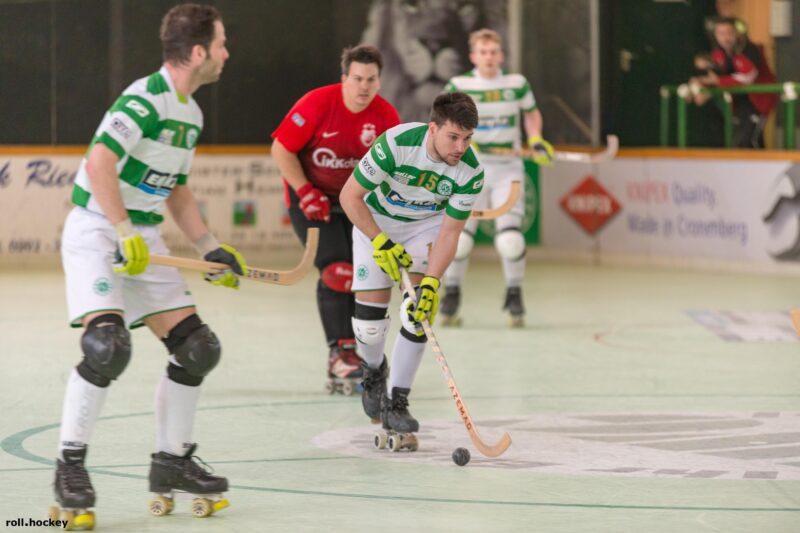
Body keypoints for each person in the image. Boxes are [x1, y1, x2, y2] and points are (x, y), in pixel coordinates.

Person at [52, 4, 242, 523]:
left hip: (142, 237)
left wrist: (209, 247)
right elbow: (100, 161)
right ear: (198, 52)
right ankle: (69, 466)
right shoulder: (144, 99)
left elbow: (176, 188)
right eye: (221, 44)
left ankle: (171, 461)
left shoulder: (191, 114)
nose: (226, 54)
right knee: (107, 347)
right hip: (98, 229)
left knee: (198, 349)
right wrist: (121, 229)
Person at [339, 92, 483, 441]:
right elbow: (349, 196)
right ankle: (374, 371)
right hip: (376, 223)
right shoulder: (396, 144)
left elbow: (450, 233)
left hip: (424, 229)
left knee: (417, 310)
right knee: (369, 328)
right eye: (453, 137)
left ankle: (397, 401)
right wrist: (379, 241)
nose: (460, 147)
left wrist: (432, 282)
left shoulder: (471, 171)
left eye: (467, 138)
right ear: (433, 128)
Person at [271, 45, 400, 393]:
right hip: (313, 201)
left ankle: (364, 352)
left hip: (357, 202)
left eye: (371, 80)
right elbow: (281, 149)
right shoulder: (316, 104)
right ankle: (339, 353)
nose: (364, 87)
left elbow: (397, 168)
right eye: (357, 79)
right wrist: (304, 191)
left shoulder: (386, 117)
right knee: (337, 271)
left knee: (364, 273)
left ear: (379, 81)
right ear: (344, 78)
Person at [437, 28, 553, 328]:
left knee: (510, 240)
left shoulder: (516, 84)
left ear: (500, 55)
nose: (488, 57)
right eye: (483, 52)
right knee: (461, 240)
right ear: (473, 56)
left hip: (508, 170)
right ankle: (452, 295)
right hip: (468, 171)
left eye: (493, 52)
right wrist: (461, 141)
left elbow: (531, 114)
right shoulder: (459, 85)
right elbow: (443, 123)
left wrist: (536, 139)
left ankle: (515, 295)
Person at [691, 17, 777, 148]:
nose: (726, 37)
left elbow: (748, 76)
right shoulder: (718, 53)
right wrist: (698, 87)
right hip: (738, 102)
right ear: (715, 36)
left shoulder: (749, 49)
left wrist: (717, 81)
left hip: (758, 100)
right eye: (721, 33)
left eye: (729, 33)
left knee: (748, 139)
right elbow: (714, 76)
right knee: (744, 139)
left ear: (736, 33)